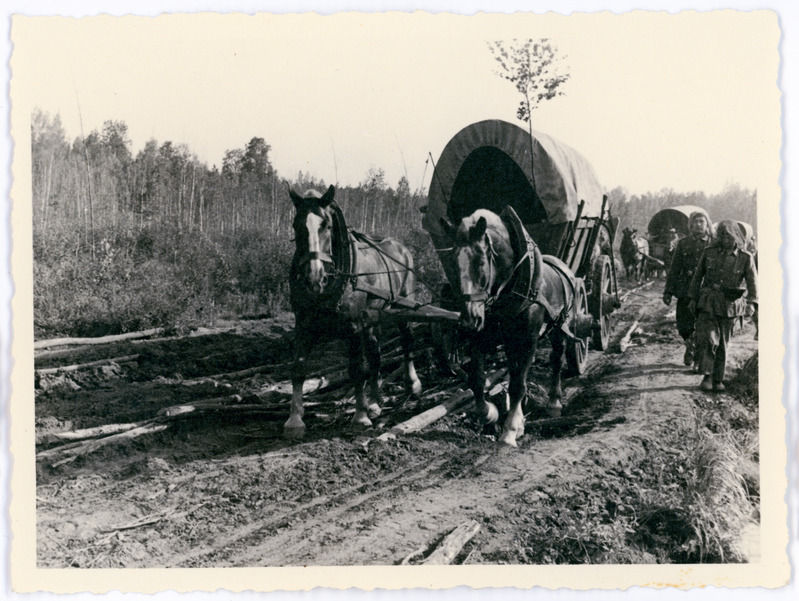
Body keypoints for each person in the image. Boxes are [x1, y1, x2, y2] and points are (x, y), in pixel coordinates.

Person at [688, 220, 758, 392]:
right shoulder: (709, 253)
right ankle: (707, 376)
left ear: (736, 236)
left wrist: (752, 303)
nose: (726, 239)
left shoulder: (745, 258)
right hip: (709, 302)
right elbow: (697, 277)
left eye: (729, 235)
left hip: (730, 306)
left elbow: (753, 283)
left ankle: (718, 380)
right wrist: (692, 298)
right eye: (723, 235)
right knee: (709, 339)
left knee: (723, 344)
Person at [663, 212, 713, 367]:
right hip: (685, 289)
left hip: (706, 291)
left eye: (701, 222)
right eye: (695, 222)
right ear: (690, 225)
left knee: (703, 324)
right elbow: (675, 268)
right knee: (683, 324)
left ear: (707, 224)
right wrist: (668, 291)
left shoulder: (713, 243)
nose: (698, 225)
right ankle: (690, 344)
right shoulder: (683, 243)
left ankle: (698, 353)